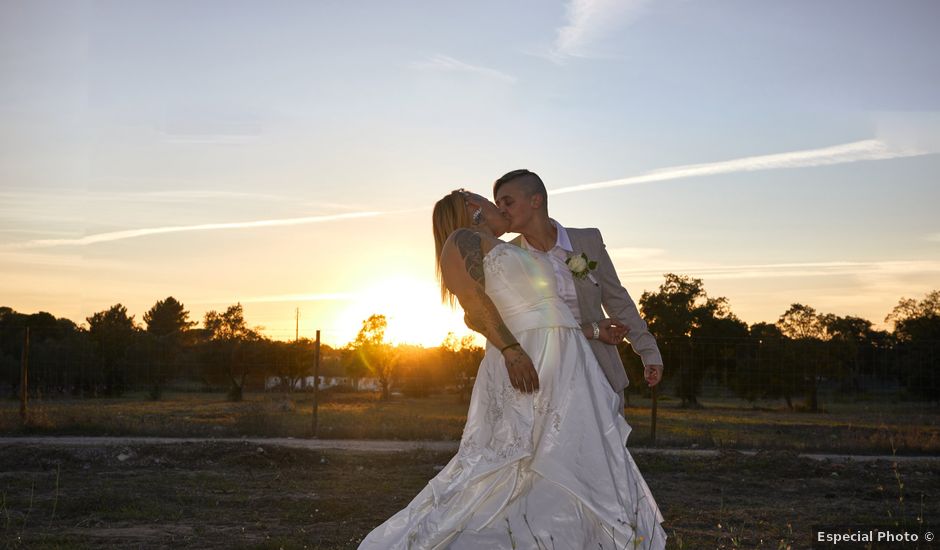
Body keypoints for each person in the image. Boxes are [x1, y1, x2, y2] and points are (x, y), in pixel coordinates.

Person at [358, 189, 666, 549]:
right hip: (526, 359)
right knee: (516, 458)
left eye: (505, 201)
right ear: (473, 209)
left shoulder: (510, 249)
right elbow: (474, 306)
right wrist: (511, 350)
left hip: (566, 361)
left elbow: (544, 314)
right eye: (490, 202)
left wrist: (594, 331)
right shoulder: (463, 241)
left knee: (566, 453)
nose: (498, 207)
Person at [491, 169, 664, 411]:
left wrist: (648, 351)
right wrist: (592, 330)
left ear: (535, 201)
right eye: (497, 204)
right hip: (541, 378)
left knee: (607, 448)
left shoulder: (588, 242)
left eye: (508, 202)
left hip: (598, 370)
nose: (501, 210)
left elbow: (617, 300)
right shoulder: (506, 256)